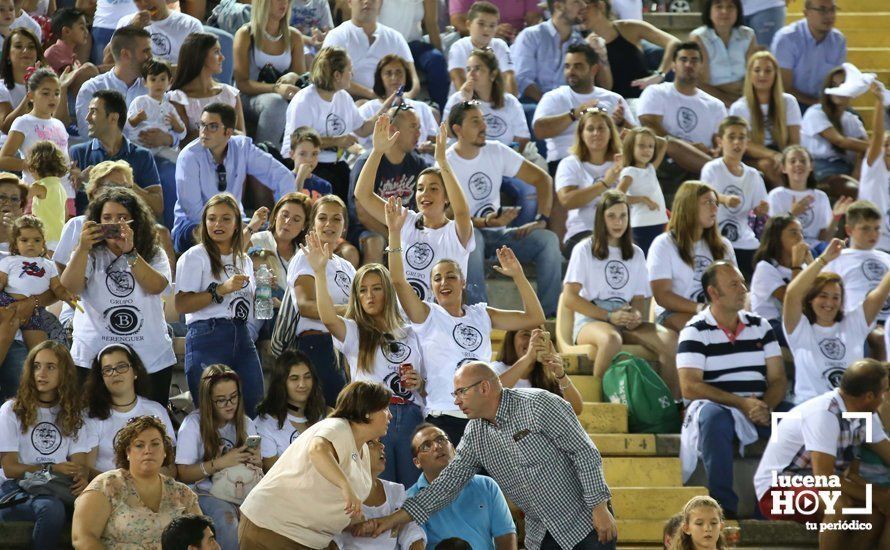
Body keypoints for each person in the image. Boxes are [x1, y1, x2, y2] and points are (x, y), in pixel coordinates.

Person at [369, 362, 618, 550]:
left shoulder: (539, 404)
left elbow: (584, 452)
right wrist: (391, 520)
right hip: (540, 535)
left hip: (586, 522)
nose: (456, 401)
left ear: (485, 387)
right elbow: (444, 486)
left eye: (460, 392)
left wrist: (599, 507)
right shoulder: (475, 433)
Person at [386, 196, 544, 447]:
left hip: (485, 421)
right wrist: (394, 233)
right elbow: (397, 280)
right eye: (437, 279)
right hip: (443, 419)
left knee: (487, 488)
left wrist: (518, 275)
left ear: (462, 282)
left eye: (451, 277)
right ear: (431, 286)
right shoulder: (426, 315)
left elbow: (535, 317)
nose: (444, 283)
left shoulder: (482, 314)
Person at [304, 231, 426, 486]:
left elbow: (426, 385)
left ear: (388, 293)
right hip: (373, 418)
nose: (369, 296)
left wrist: (419, 383)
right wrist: (319, 273)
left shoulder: (411, 332)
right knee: (379, 489)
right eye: (363, 291)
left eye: (376, 289)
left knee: (413, 491)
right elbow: (327, 318)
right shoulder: (354, 331)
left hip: (412, 417)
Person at [676, 260, 788, 518]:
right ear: (714, 293)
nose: (743, 289)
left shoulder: (760, 325)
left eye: (742, 283)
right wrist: (741, 403)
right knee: (713, 419)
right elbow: (690, 387)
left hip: (759, 404)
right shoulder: (695, 330)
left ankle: (773, 510)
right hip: (719, 407)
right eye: (734, 284)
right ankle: (724, 509)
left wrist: (765, 406)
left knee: (797, 420)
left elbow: (779, 379)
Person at [754, 359, 890, 550]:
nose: (885, 396)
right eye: (884, 390)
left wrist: (880, 497)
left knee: (874, 515)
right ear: (869, 396)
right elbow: (824, 479)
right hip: (778, 490)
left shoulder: (866, 413)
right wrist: (878, 496)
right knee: (838, 504)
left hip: (818, 486)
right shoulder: (824, 413)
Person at [238, 381, 392, 548]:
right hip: (271, 529)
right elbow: (317, 450)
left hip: (309, 538)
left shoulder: (364, 451)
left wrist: (355, 520)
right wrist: (345, 485)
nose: (390, 415)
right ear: (368, 412)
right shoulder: (337, 427)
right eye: (385, 409)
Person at [61, 187, 176, 404]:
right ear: (96, 221)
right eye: (107, 218)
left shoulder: (152, 251)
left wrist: (130, 252)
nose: (114, 224)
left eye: (123, 218)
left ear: (136, 221)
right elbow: (70, 287)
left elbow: (157, 286)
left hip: (149, 356)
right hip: (92, 356)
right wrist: (83, 248)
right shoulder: (88, 252)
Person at [447, 101, 560, 315]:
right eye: (475, 121)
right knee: (473, 238)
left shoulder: (496, 150)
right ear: (457, 129)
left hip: (500, 235)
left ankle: (548, 316)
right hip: (466, 235)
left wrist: (542, 219)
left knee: (548, 241)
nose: (484, 126)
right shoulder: (446, 162)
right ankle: (479, 314)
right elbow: (446, 217)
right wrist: (485, 222)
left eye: (483, 120)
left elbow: (542, 179)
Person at [564, 191, 680, 397]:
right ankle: (598, 401)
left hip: (624, 317)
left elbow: (639, 299)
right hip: (592, 319)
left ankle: (672, 404)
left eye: (623, 216)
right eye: (612, 216)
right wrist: (608, 316)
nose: (618, 222)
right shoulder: (584, 249)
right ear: (601, 218)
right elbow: (570, 298)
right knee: (611, 340)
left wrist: (635, 316)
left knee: (670, 340)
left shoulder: (636, 253)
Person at [353, 118, 474, 303]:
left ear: (447, 197)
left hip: (441, 322)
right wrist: (377, 152)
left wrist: (442, 162)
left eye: (434, 189)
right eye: (420, 189)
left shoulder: (457, 231)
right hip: (404, 324)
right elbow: (363, 194)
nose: (425, 194)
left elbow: (462, 213)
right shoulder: (405, 220)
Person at [175, 194, 264, 416]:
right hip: (208, 334)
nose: (217, 224)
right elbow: (181, 304)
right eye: (212, 218)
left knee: (253, 408)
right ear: (204, 223)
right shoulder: (195, 256)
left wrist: (264, 289)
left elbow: (247, 302)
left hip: (242, 334)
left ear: (236, 225)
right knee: (212, 414)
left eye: (225, 219)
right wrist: (221, 289)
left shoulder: (244, 260)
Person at [0, 341, 91, 549]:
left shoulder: (74, 414)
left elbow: (81, 466)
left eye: (51, 367)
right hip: (15, 489)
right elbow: (11, 469)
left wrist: (80, 479)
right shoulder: (11, 410)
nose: (42, 373)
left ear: (64, 373)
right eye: (36, 366)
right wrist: (50, 468)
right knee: (51, 509)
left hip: (56, 486)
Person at [171, 102, 296, 253]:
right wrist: (234, 226)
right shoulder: (188, 157)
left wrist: (279, 218)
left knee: (271, 241)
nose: (204, 131)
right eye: (202, 125)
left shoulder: (242, 148)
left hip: (237, 223)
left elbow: (283, 177)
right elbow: (194, 212)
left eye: (212, 126)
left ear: (228, 132)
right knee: (219, 236)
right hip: (194, 226)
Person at [71, 415, 201, 548]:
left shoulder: (183, 493)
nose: (148, 451)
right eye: (139, 445)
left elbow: (204, 540)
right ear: (128, 452)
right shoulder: (106, 485)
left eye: (155, 444)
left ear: (165, 451)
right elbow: (83, 538)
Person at [786, 237, 890, 402]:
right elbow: (792, 293)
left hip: (852, 411)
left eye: (836, 297)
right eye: (823, 296)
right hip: (811, 408)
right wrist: (824, 259)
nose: (829, 302)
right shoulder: (799, 327)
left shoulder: (853, 323)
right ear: (811, 298)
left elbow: (879, 293)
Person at [280, 46, 390, 200]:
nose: (353, 74)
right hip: (304, 166)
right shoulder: (304, 101)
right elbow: (301, 143)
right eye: (349, 70)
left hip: (335, 164)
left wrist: (385, 110)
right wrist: (338, 141)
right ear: (337, 75)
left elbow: (363, 129)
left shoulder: (343, 97)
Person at [174, 365, 265, 550]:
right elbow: (182, 474)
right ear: (208, 401)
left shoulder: (246, 422)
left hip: (242, 488)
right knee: (227, 519)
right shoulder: (192, 424)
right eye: (221, 400)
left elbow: (259, 469)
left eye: (234, 397)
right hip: (203, 492)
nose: (230, 404)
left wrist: (256, 461)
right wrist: (221, 463)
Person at [398, 424, 516, 548]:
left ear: (454, 448)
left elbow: (505, 534)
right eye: (426, 446)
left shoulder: (486, 485)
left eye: (441, 439)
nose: (437, 446)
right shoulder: (409, 500)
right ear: (417, 462)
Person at [287, 194, 356, 406]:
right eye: (322, 218)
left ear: (344, 227)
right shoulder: (305, 257)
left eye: (336, 219)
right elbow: (305, 306)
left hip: (349, 347)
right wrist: (350, 310)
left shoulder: (347, 266)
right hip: (318, 346)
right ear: (312, 224)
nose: (329, 224)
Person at [533, 42, 635, 175]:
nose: (571, 71)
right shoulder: (553, 97)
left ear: (593, 70)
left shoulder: (613, 99)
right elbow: (539, 131)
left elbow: (636, 138)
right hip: (564, 161)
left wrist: (621, 123)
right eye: (567, 66)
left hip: (608, 162)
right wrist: (574, 114)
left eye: (578, 66)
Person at [648, 181, 736, 333]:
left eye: (715, 203)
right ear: (689, 206)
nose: (715, 208)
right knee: (708, 331)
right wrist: (701, 308)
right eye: (708, 202)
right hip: (673, 313)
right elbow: (662, 295)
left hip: (716, 314)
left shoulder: (724, 245)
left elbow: (734, 285)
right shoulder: (664, 244)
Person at [348, 105, 431, 264]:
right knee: (376, 242)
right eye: (413, 127)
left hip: (405, 228)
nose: (419, 133)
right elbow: (362, 212)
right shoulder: (367, 162)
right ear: (393, 130)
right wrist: (392, 236)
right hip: (368, 230)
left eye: (419, 128)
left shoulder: (419, 164)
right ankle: (370, 287)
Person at [80, 343, 176, 476]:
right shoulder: (90, 415)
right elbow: (87, 470)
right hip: (107, 489)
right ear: (101, 379)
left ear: (135, 371)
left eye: (122, 367)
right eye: (107, 370)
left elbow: (169, 467)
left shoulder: (156, 410)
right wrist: (124, 483)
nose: (115, 373)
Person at [637, 42, 728, 180]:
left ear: (701, 67)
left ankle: (721, 173)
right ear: (673, 65)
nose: (688, 65)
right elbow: (650, 128)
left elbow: (720, 141)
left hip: (701, 163)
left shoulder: (716, 106)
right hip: (664, 160)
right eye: (683, 59)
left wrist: (717, 150)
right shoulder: (656, 92)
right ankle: (724, 174)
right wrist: (689, 147)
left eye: (694, 60)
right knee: (671, 144)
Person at [70, 89, 165, 219]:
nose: (87, 118)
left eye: (94, 112)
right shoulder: (77, 153)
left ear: (113, 118)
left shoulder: (142, 155)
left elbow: (157, 208)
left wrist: (125, 183)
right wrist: (77, 182)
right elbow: (62, 203)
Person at [700, 116, 769, 280]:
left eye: (741, 137)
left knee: (762, 271)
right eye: (731, 137)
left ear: (747, 142)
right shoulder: (712, 169)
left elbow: (760, 209)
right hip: (714, 238)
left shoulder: (753, 175)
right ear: (720, 141)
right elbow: (703, 196)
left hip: (744, 240)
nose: (737, 142)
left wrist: (761, 210)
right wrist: (724, 199)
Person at [232, 0, 306, 147]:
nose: (284, 3)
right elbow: (242, 83)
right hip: (247, 97)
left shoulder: (295, 37)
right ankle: (265, 155)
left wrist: (293, 76)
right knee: (275, 103)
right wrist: (276, 88)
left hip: (280, 94)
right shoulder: (245, 34)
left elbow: (301, 79)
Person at [823, 201, 890, 361]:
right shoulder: (838, 258)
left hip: (888, 318)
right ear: (849, 230)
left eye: (876, 228)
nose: (873, 234)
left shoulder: (887, 258)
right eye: (865, 228)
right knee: (879, 337)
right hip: (857, 321)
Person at [553, 107, 624, 255]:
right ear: (581, 134)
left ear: (611, 133)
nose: (596, 133)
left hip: (621, 229)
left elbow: (660, 143)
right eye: (590, 129)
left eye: (601, 128)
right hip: (582, 232)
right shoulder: (570, 163)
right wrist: (604, 183)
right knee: (603, 248)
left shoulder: (622, 162)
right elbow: (567, 200)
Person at [334, 438, 427, 548]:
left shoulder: (396, 490)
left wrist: (416, 543)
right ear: (353, 454)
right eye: (371, 443)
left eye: (380, 441)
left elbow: (409, 529)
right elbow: (331, 535)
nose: (382, 446)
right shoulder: (338, 496)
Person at [0, 67, 73, 207]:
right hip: (37, 194)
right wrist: (33, 165)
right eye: (46, 93)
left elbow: (65, 160)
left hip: (65, 194)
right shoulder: (23, 122)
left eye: (57, 93)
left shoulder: (59, 124)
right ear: (31, 96)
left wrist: (74, 171)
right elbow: (3, 159)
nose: (53, 98)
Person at [321, 0, 421, 102]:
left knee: (432, 112)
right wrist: (372, 95)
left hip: (394, 102)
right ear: (350, 2)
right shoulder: (337, 36)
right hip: (352, 104)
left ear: (380, 3)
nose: (367, 1)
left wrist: (406, 97)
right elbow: (329, 76)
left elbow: (414, 80)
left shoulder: (395, 38)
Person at [728, 52, 802, 188]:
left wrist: (786, 158)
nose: (762, 75)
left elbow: (794, 140)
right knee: (767, 165)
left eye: (768, 70)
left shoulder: (789, 101)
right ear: (749, 74)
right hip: (753, 157)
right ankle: (783, 203)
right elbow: (746, 145)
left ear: (775, 74)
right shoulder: (739, 107)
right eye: (757, 70)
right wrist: (774, 155)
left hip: (783, 152)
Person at [582, 0, 681, 100]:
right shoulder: (585, 44)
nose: (580, 13)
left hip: (646, 98)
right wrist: (601, 57)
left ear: (600, 5)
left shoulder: (629, 28)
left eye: (585, 7)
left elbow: (674, 42)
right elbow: (605, 87)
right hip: (617, 106)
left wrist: (660, 74)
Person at [0, 216, 74, 349]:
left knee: (39, 348)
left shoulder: (49, 265)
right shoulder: (9, 261)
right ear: (15, 244)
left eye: (36, 240)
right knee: (5, 333)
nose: (30, 244)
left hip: (35, 311)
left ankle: (36, 366)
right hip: (8, 303)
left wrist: (67, 296)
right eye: (24, 240)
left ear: (43, 243)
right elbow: (1, 281)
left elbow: (57, 287)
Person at [254, 349, 328, 470]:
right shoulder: (266, 424)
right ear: (281, 383)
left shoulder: (325, 415)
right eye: (294, 378)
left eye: (307, 377)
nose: (302, 384)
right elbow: (273, 475)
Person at [75, 26, 151, 140]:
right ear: (125, 54)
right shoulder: (92, 89)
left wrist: (168, 138)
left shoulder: (154, 87)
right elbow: (89, 135)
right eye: (146, 51)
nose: (151, 57)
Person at [766, 145, 845, 250]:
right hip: (786, 250)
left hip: (814, 250)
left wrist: (836, 217)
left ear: (811, 166)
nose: (798, 164)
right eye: (793, 161)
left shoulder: (820, 196)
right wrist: (792, 214)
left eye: (803, 161)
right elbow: (772, 234)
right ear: (783, 168)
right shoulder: (776, 195)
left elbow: (824, 238)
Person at [170, 32, 246, 141]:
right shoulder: (179, 98)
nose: (222, 58)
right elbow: (182, 142)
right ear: (199, 56)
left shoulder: (230, 93)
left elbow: (242, 137)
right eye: (216, 52)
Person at [770, 0, 845, 109]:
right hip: (792, 102)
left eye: (832, 9)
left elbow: (838, 80)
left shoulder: (838, 40)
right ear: (806, 13)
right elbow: (784, 87)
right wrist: (817, 104)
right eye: (822, 10)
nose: (829, 15)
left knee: (853, 118)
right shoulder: (787, 38)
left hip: (823, 103)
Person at [356, 54, 438, 153]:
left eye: (399, 72)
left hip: (420, 163)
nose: (394, 77)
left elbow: (437, 142)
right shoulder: (368, 109)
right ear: (380, 78)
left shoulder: (422, 108)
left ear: (406, 76)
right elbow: (353, 144)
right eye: (388, 73)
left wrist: (432, 148)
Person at [749, 214, 809, 348]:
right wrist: (797, 265)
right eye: (793, 233)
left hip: (795, 321)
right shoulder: (765, 268)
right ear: (777, 237)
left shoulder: (801, 266)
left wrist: (811, 263)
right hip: (770, 324)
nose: (800, 237)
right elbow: (792, 300)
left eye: (801, 233)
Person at [510, 0, 589, 103]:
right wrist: (548, 105)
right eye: (576, 2)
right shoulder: (531, 36)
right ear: (559, 6)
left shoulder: (580, 43)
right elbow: (522, 79)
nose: (584, 5)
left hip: (566, 105)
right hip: (531, 103)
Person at [376, 0, 447, 112]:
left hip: (413, 45)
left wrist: (443, 59)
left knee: (437, 60)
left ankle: (442, 117)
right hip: (385, 44)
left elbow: (431, 24)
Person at [800, 67, 868, 183]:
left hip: (846, 168)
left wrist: (857, 173)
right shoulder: (815, 112)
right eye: (834, 85)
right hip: (819, 166)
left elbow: (864, 149)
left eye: (843, 85)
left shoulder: (852, 119)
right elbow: (840, 141)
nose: (838, 90)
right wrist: (878, 147)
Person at [493, 328, 584, 413]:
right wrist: (528, 358)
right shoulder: (496, 369)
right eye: (526, 334)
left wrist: (561, 375)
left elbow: (576, 410)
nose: (533, 341)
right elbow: (491, 394)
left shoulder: (549, 376)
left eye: (539, 337)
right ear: (511, 339)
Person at [689, 0, 756, 107]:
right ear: (709, 11)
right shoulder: (699, 38)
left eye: (730, 7)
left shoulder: (748, 34)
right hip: (710, 101)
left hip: (743, 99)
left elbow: (753, 74)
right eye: (719, 7)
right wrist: (730, 102)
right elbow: (701, 83)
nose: (725, 11)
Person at [247, 192, 311, 298]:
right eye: (284, 215)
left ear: (304, 225)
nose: (288, 221)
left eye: (296, 219)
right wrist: (251, 227)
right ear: (276, 214)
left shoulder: (304, 254)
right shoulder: (256, 240)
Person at [617, 127, 668, 255]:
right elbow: (617, 196)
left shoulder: (650, 167)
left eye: (650, 146)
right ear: (631, 147)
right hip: (642, 226)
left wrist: (634, 133)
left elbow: (664, 143)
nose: (647, 150)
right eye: (641, 146)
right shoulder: (630, 172)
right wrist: (642, 199)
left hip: (661, 222)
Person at [125, 59, 186, 165]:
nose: (158, 84)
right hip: (140, 144)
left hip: (161, 146)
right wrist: (137, 119)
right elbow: (127, 127)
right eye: (153, 80)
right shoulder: (140, 101)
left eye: (162, 79)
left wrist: (177, 125)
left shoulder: (170, 107)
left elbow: (182, 134)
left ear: (170, 82)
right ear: (145, 82)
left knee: (182, 159)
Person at [448, 2, 517, 95]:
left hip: (495, 104)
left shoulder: (501, 45)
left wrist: (509, 104)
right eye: (481, 24)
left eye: (492, 25)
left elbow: (509, 77)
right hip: (465, 105)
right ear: (468, 25)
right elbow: (459, 80)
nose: (487, 29)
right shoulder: (459, 47)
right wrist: (479, 106)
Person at [112, 0, 203, 64]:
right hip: (138, 87)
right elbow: (110, 60)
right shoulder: (126, 22)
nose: (144, 3)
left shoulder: (190, 25)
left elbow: (197, 67)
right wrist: (132, 29)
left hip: (177, 86)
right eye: (137, 0)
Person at [856, 84, 890, 252]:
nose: (888, 148)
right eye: (886, 145)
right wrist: (879, 102)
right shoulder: (874, 166)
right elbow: (877, 135)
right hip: (873, 245)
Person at [24, 141, 68, 250]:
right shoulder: (60, 187)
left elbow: (19, 195)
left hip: (44, 238)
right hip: (59, 238)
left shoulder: (39, 186)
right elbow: (66, 214)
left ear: (32, 167)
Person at [0, 29, 44, 135]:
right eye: (18, 46)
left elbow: (62, 121)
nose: (25, 51)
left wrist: (63, 88)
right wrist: (31, 93)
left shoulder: (47, 84)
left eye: (31, 47)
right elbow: (7, 127)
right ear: (7, 55)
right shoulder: (1, 87)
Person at [449, 0, 541, 42]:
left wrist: (521, 37)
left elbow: (534, 19)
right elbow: (458, 21)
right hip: (478, 43)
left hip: (516, 40)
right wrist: (490, 31)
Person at [288, 128, 337, 201]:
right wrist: (300, 178)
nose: (309, 159)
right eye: (302, 154)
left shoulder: (324, 186)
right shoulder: (283, 179)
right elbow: (291, 207)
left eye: (314, 154)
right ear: (292, 154)